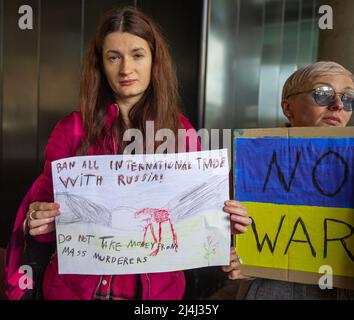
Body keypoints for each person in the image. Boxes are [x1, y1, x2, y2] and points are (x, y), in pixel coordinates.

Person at [5, 6, 251, 300]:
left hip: (155, 297)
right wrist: (36, 221)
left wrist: (225, 225)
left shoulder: (180, 131)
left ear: (154, 61)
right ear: (101, 64)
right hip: (73, 292)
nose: (125, 69)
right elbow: (44, 231)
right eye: (113, 57)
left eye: (137, 54)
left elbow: (193, 228)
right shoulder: (71, 129)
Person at [223, 61, 354, 299]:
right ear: (288, 107)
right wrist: (235, 254)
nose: (338, 106)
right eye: (323, 94)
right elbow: (218, 235)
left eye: (348, 99)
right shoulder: (252, 162)